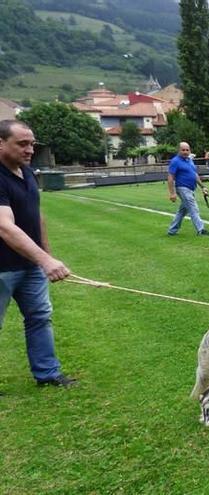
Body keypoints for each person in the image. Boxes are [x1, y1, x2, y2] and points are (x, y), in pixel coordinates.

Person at [0, 120, 76, 388]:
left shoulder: (28, 172)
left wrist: (46, 255)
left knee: (40, 318)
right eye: (22, 143)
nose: (29, 149)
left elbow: (36, 215)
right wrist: (45, 260)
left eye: (32, 143)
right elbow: (4, 226)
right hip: (2, 269)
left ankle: (48, 374)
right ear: (1, 143)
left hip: (30, 266)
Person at [167, 142, 209, 236]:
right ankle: (201, 230)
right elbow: (170, 177)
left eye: (187, 150)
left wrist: (202, 186)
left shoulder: (190, 160)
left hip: (191, 189)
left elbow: (194, 175)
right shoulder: (175, 161)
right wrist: (172, 193)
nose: (185, 152)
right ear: (179, 150)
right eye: (183, 150)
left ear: (190, 150)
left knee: (182, 211)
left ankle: (172, 230)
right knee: (193, 208)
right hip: (182, 188)